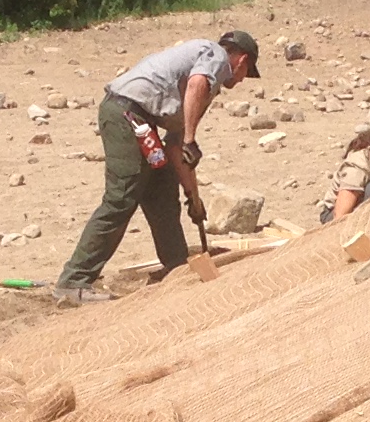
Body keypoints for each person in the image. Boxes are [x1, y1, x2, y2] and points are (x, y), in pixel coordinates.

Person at [48, 28, 259, 303]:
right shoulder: (215, 57)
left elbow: (175, 146)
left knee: (162, 192)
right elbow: (195, 92)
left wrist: (194, 197)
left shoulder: (204, 81)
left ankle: (177, 268)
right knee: (122, 197)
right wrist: (191, 140)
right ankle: (74, 280)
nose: (242, 80)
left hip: (141, 120)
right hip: (127, 114)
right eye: (247, 72)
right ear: (242, 60)